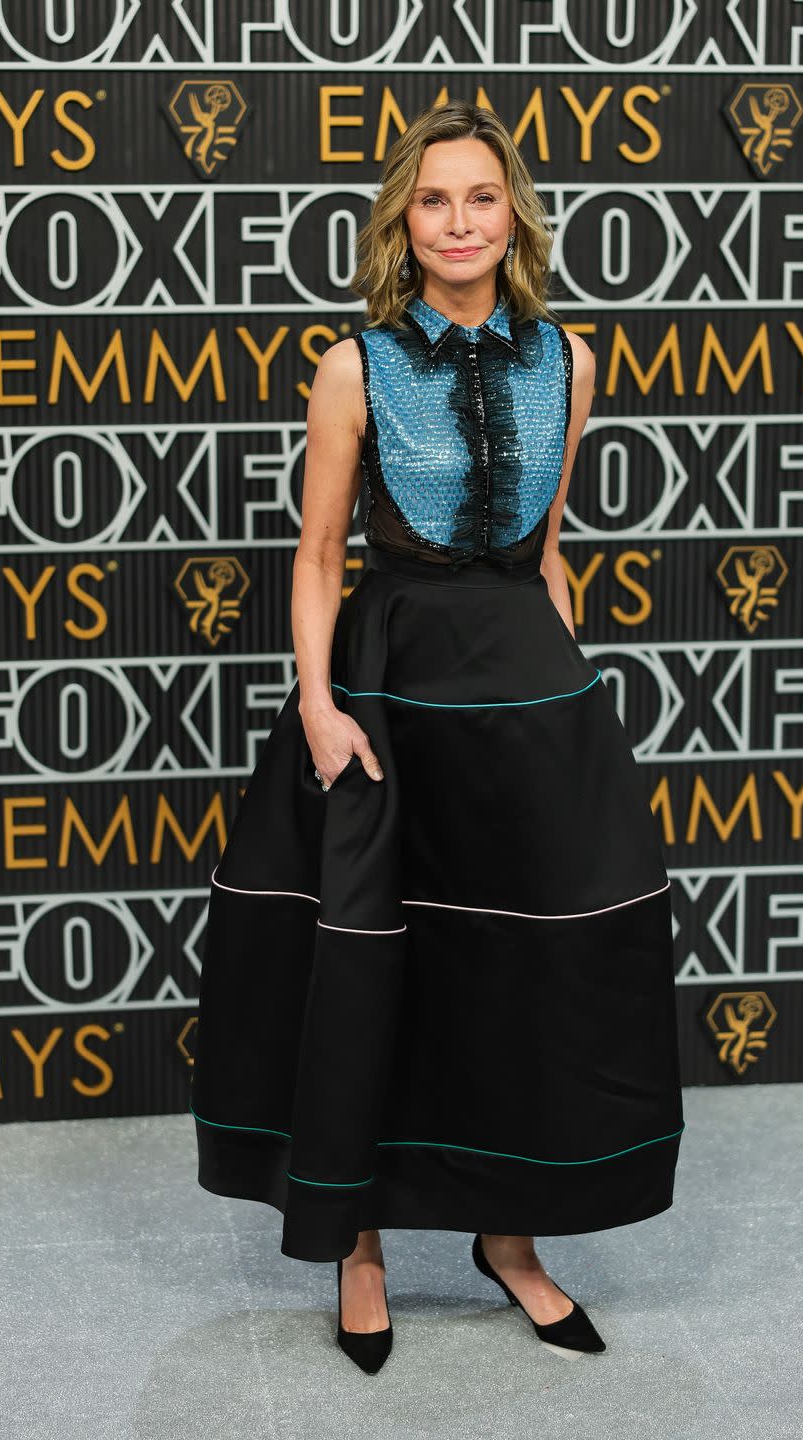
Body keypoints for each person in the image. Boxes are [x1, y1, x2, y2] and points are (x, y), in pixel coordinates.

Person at [189, 101, 685, 1374]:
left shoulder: (569, 359)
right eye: (432, 200)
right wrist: (317, 702)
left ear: (510, 213)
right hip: (390, 686)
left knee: (526, 975)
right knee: (369, 968)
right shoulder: (356, 365)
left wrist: (570, 690)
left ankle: (508, 1244)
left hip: (528, 689)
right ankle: (357, 1248)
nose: (458, 221)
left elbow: (551, 543)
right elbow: (315, 555)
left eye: (479, 197)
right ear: (400, 223)